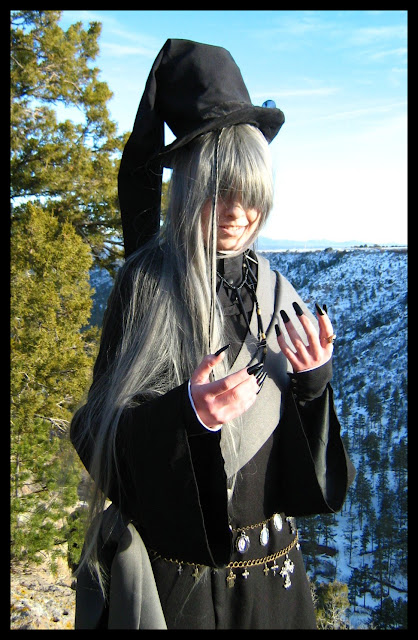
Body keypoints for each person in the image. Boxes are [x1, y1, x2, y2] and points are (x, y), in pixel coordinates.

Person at [70, 39, 355, 630]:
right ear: (187, 185)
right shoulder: (147, 284)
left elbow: (296, 471)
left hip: (275, 578)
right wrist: (186, 420)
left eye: (251, 195)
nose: (238, 213)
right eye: (219, 190)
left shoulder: (276, 287)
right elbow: (97, 429)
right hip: (182, 582)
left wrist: (312, 385)